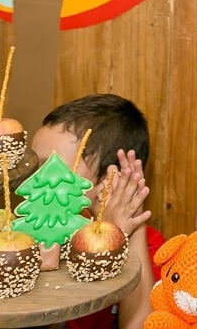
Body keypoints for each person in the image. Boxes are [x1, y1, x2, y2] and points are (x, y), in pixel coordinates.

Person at [31, 95, 160, 329]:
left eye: (50, 168)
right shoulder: (34, 233)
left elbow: (140, 325)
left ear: (110, 178)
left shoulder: (152, 246)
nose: (34, 180)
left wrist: (129, 231)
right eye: (34, 165)